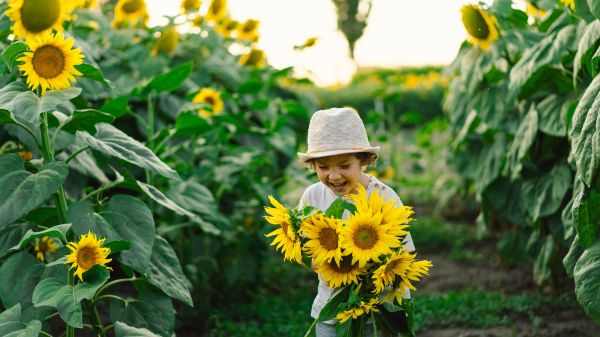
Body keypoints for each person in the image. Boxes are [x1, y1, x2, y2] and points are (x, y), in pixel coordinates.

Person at [297, 107, 416, 337]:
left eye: (344, 165)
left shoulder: (383, 197)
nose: (334, 176)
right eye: (323, 167)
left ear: (363, 160)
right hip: (330, 308)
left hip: (379, 310)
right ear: (313, 166)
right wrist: (325, 261)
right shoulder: (312, 197)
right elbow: (304, 249)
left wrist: (371, 264)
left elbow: (406, 254)